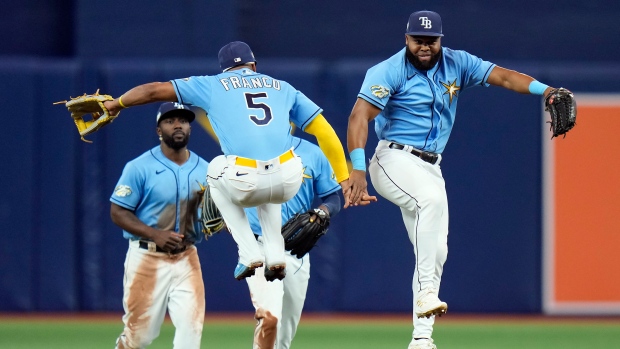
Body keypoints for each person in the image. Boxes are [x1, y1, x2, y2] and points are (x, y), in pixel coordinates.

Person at [345, 10, 573, 349]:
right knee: (430, 202)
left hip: (430, 167)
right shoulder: (388, 71)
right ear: (406, 39)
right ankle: (425, 295)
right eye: (418, 40)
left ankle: (421, 339)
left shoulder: (457, 63)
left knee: (436, 251)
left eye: (431, 40)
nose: (425, 46)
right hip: (392, 158)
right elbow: (358, 116)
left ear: (441, 40)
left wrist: (546, 90)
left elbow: (505, 77)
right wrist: (358, 169)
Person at [101, 41, 371, 283]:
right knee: (271, 183)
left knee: (216, 169)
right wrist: (344, 177)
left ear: (224, 69)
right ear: (254, 65)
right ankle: (275, 255)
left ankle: (248, 252)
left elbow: (153, 91)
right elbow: (324, 131)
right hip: (289, 178)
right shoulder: (283, 86)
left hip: (246, 179)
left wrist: (117, 104)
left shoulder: (212, 84)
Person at [110, 102, 209, 349]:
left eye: (183, 121)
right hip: (147, 257)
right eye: (170, 120)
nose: (178, 125)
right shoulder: (139, 167)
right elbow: (118, 211)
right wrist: (156, 234)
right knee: (140, 336)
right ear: (158, 130)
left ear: (190, 128)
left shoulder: (207, 170)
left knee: (191, 331)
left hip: (187, 257)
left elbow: (219, 214)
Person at [244, 136, 342, 349]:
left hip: (296, 249)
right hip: (260, 246)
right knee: (270, 318)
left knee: (285, 333)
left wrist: (322, 211)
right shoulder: (247, 147)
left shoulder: (311, 152)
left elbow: (334, 197)